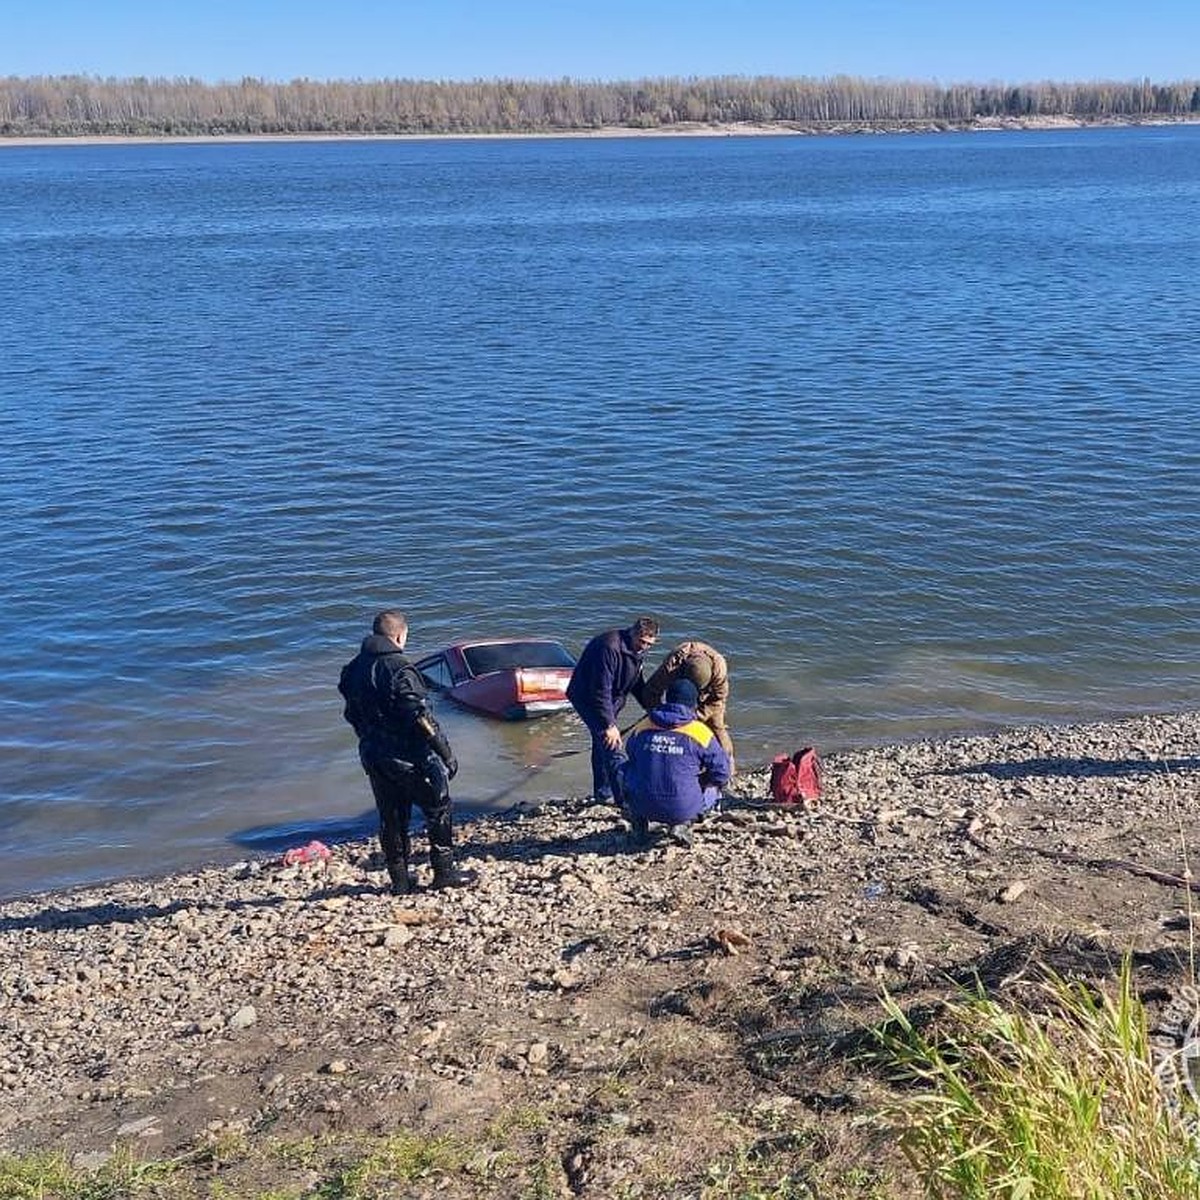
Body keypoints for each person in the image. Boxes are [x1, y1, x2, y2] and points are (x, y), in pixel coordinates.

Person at [338, 610, 470, 894]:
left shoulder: (352, 669)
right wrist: (445, 752)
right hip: (411, 756)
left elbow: (351, 712)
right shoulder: (400, 668)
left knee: (392, 816)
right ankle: (444, 872)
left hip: (374, 754)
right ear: (400, 635)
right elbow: (419, 716)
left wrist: (368, 738)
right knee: (439, 808)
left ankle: (399, 880)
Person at [616, 677, 732, 848]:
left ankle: (639, 827)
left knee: (624, 769)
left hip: (642, 804)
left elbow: (631, 754)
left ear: (667, 699)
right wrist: (703, 781)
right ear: (693, 704)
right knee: (714, 789)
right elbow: (722, 773)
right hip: (682, 808)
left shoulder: (644, 726)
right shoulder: (700, 732)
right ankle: (683, 823)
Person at [566, 616, 659, 802]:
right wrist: (609, 724)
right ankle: (624, 799)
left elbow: (636, 682)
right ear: (632, 633)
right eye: (641, 642)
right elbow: (601, 689)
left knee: (601, 745)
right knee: (611, 744)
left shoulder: (636, 649)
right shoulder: (609, 647)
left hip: (612, 699)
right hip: (589, 698)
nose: (644, 647)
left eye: (649, 644)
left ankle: (602, 793)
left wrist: (651, 708)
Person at [641, 639, 735, 772]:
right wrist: (660, 717)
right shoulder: (673, 665)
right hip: (680, 691)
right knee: (665, 727)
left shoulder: (719, 669)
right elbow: (651, 692)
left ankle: (728, 767)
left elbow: (718, 700)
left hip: (709, 696)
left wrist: (696, 716)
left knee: (718, 728)